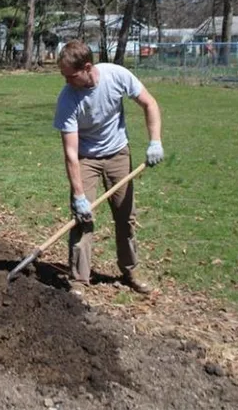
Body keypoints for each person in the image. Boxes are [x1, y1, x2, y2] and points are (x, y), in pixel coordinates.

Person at [53, 40, 163, 295]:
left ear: (87, 68)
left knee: (126, 216)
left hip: (118, 154)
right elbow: (70, 152)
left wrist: (155, 141)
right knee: (82, 220)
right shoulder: (68, 99)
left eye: (70, 75)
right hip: (85, 158)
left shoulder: (117, 75)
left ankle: (130, 269)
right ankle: (79, 280)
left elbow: (150, 103)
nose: (66, 81)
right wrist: (79, 196)